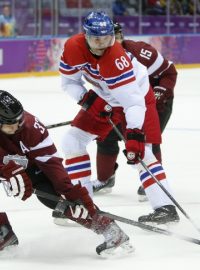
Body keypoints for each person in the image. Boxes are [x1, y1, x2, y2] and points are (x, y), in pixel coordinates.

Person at [59, 11, 179, 224]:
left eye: (106, 38)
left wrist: (134, 133)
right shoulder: (72, 47)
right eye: (96, 38)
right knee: (72, 141)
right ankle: (83, 204)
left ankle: (165, 207)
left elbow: (132, 103)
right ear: (85, 35)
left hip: (138, 99)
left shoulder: (115, 59)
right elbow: (69, 83)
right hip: (104, 98)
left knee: (141, 153)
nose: (102, 43)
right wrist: (87, 100)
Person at [0, 90, 133, 256]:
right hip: (7, 163)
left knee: (53, 196)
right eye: (10, 125)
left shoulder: (31, 127)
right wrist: (4, 170)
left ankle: (110, 230)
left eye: (19, 121)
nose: (17, 126)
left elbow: (52, 164)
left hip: (28, 164)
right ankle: (2, 233)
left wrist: (69, 192)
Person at [92, 22, 177, 202]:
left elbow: (169, 73)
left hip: (153, 103)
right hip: (121, 104)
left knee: (146, 142)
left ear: (119, 37)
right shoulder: (95, 58)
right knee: (105, 137)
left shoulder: (142, 52)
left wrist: (159, 92)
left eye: (112, 38)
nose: (105, 44)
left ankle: (154, 184)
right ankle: (104, 179)